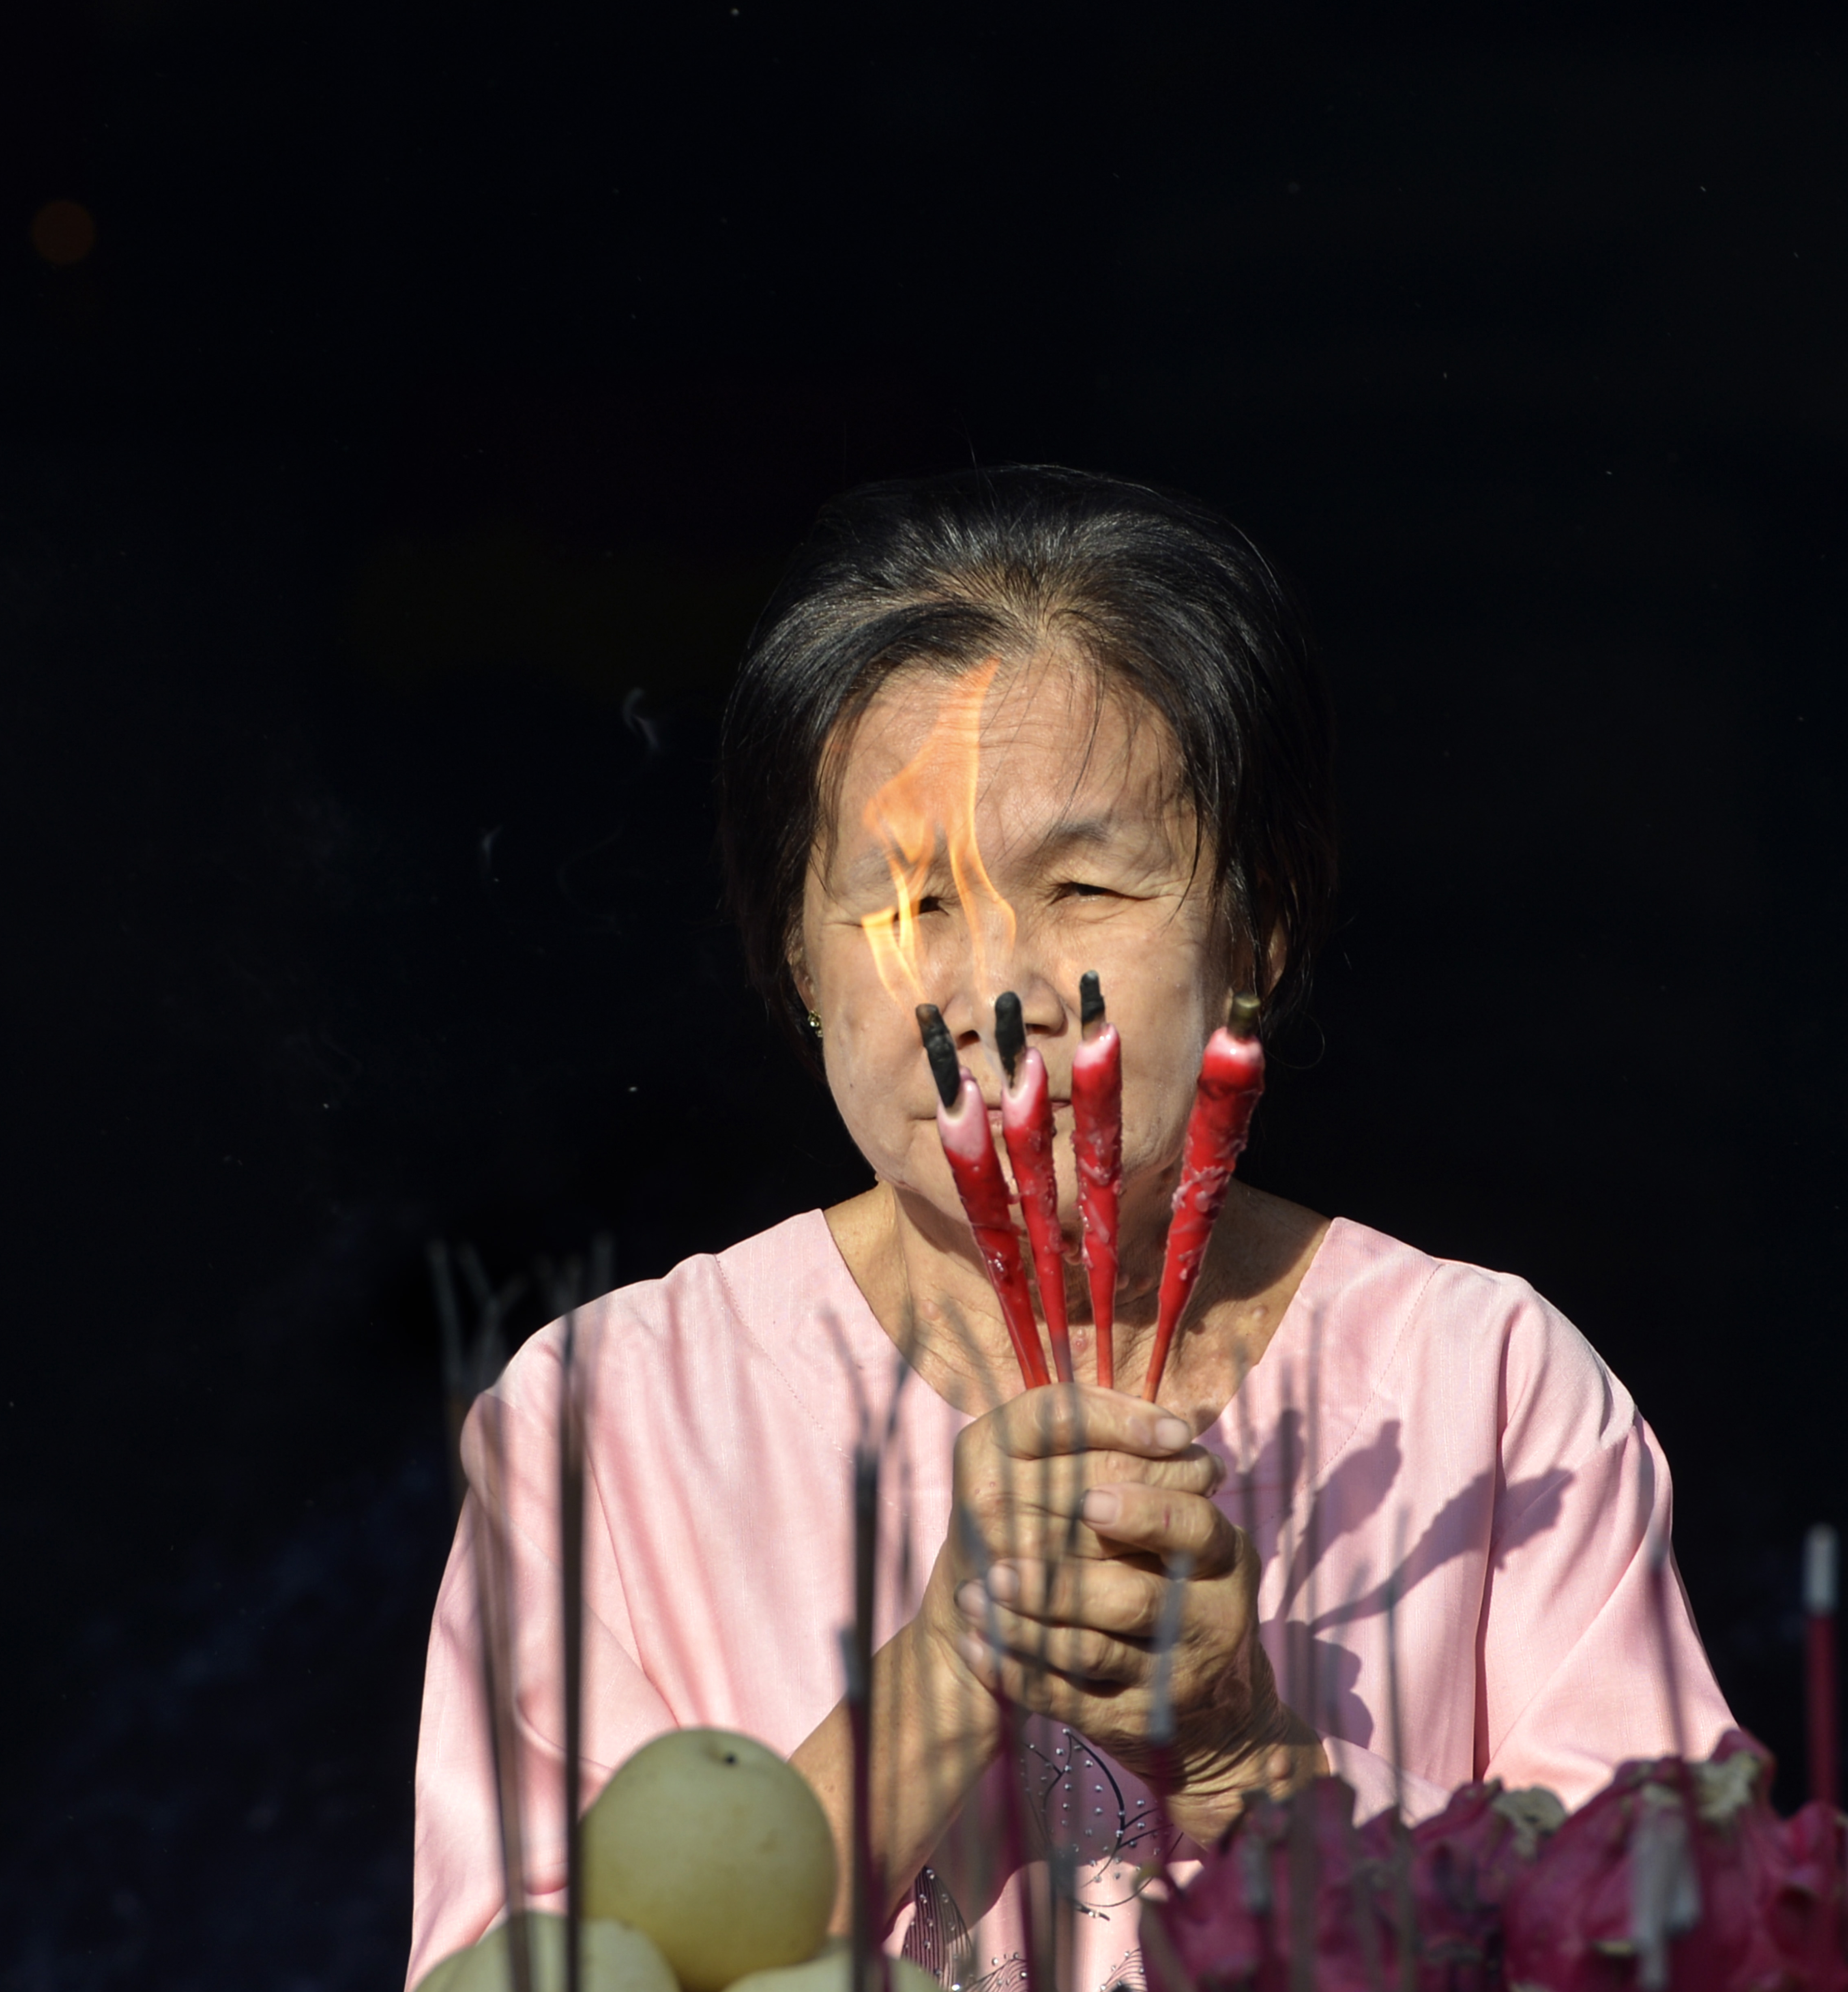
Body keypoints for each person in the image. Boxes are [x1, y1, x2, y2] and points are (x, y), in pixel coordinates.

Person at [408, 466, 1730, 1992]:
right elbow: (527, 1965)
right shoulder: (613, 1423)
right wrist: (950, 1672)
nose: (1002, 989)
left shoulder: (1489, 1395)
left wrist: (1241, 1753)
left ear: (1261, 922)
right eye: (909, 906)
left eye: (1089, 884)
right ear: (796, 950)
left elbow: (1682, 1940)